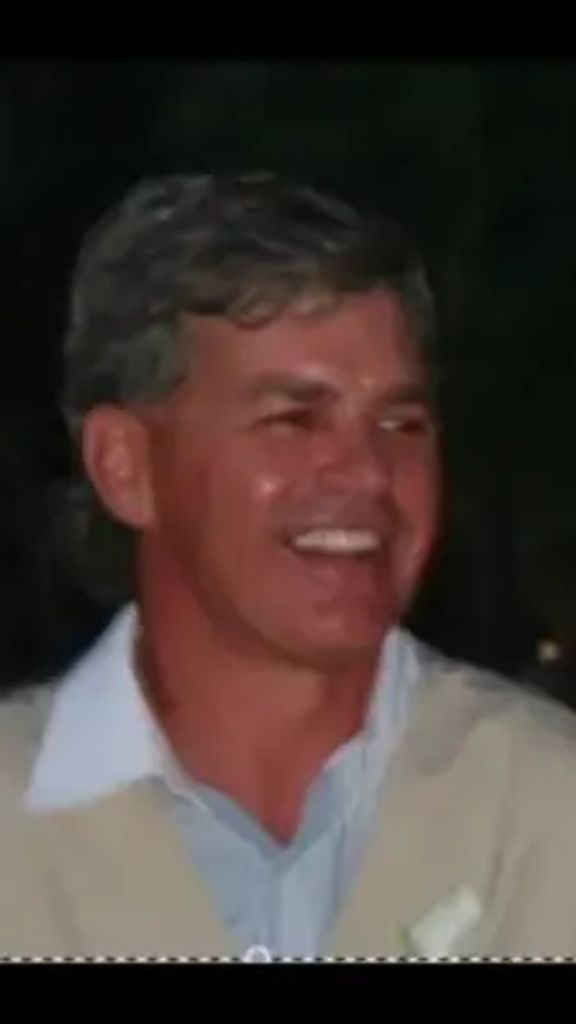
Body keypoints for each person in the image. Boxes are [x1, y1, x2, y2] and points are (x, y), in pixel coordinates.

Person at [2, 171, 576, 960]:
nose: (369, 474)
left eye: (401, 424)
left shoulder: (543, 808)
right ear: (125, 467)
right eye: (294, 420)